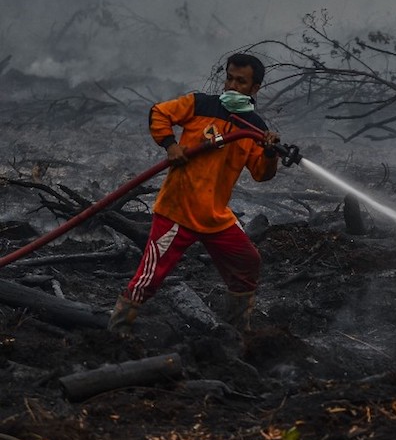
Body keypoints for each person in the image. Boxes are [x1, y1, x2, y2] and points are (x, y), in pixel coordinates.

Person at [108, 53, 281, 334]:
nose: (232, 86)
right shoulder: (200, 104)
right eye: (229, 78)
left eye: (241, 81)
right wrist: (170, 145)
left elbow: (262, 173)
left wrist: (271, 152)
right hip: (178, 210)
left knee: (248, 261)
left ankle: (236, 332)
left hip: (215, 216)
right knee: (148, 279)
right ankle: (115, 334)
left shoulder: (254, 128)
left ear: (255, 88)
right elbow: (160, 112)